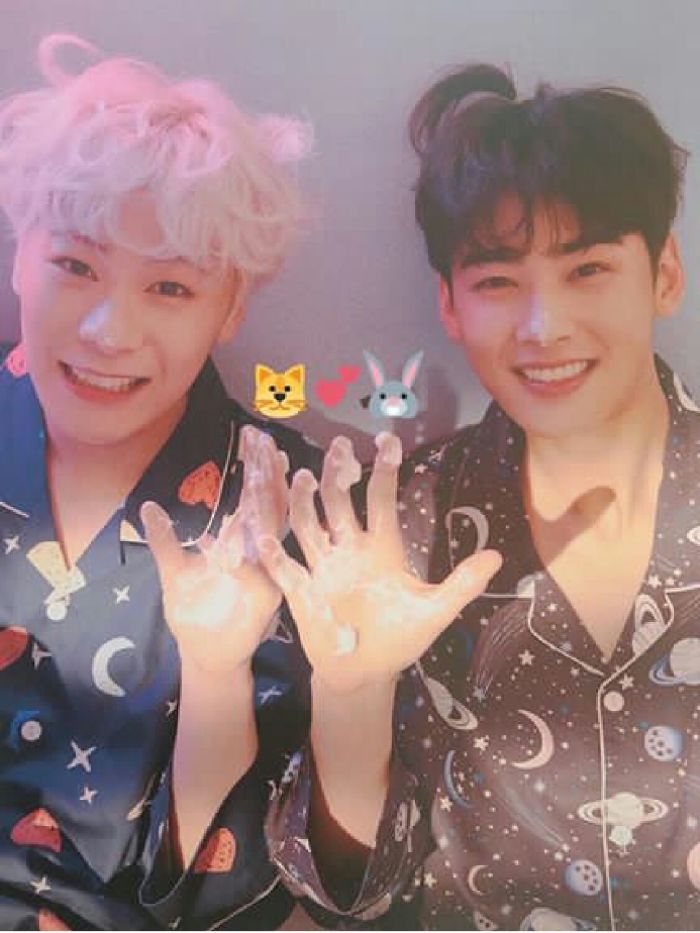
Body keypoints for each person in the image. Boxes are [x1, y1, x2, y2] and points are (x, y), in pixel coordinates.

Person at [261, 64, 700, 930]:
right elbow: (352, 895)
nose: (543, 326)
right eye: (498, 281)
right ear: (451, 304)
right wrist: (351, 693)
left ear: (663, 274)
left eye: (587, 269)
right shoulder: (401, 525)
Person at [0, 33, 319, 930]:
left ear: (232, 305)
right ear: (19, 254)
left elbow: (245, 864)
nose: (109, 330)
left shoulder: (283, 500)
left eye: (171, 288)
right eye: (75, 265)